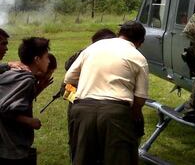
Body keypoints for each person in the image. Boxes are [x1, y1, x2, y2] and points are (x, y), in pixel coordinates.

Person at [64, 21, 148, 165]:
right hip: (116, 113)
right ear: (140, 42)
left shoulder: (93, 47)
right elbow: (140, 100)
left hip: (83, 110)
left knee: (83, 159)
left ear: (119, 34)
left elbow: (69, 78)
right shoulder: (138, 57)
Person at [63, 28, 116, 162]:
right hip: (80, 102)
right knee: (78, 143)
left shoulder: (119, 55)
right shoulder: (83, 54)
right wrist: (75, 101)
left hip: (105, 106)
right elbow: (67, 81)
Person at [0, 37, 51, 165]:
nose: (49, 61)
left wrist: (38, 89)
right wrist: (30, 121)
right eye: (46, 57)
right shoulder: (27, 80)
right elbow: (5, 109)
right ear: (37, 60)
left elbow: (14, 101)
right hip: (13, 148)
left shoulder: (11, 73)